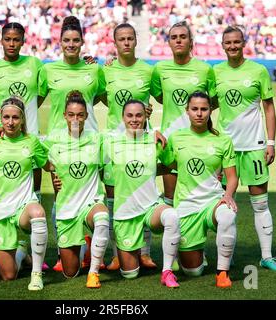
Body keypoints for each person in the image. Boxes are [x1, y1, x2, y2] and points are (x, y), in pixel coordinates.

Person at [38, 16, 106, 272]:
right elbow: (35, 101)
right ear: (60, 42)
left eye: (76, 40)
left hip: (89, 141)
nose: (71, 44)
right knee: (61, 196)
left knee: (93, 194)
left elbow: (102, 99)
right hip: (58, 144)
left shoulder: (93, 70)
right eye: (67, 40)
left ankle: (91, 244)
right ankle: (63, 250)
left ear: (82, 42)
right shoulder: (48, 71)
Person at [214, 26, 276, 271]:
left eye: (236, 42)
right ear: (222, 45)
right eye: (228, 43)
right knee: (223, 203)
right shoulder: (216, 72)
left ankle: (266, 256)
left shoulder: (258, 71)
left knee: (260, 203)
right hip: (226, 149)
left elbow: (269, 108)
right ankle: (226, 256)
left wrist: (271, 142)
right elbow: (208, 104)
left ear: (244, 43)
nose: (232, 46)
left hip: (254, 146)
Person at [0, 96, 49, 290]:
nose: (10, 122)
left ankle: (36, 274)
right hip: (0, 211)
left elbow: (48, 165)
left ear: (22, 119)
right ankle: (22, 252)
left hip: (24, 207)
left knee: (38, 213)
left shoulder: (32, 142)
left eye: (15, 117)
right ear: (1, 118)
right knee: (9, 275)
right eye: (6, 117)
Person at [161, 91, 238, 288]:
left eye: (204, 109)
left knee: (228, 215)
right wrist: (153, 138)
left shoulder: (223, 139)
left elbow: (232, 177)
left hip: (213, 202)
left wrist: (228, 195)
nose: (199, 113)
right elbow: (165, 165)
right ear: (187, 111)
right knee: (193, 271)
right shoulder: (176, 138)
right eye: (194, 109)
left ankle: (222, 272)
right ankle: (194, 253)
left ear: (210, 110)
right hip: (187, 205)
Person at [103, 99, 180, 288]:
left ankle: (167, 271)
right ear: (123, 117)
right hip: (125, 213)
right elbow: (92, 167)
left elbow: (173, 165)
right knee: (130, 274)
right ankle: (133, 253)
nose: (134, 119)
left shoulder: (155, 140)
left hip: (150, 208)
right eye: (130, 115)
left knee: (171, 216)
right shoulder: (110, 143)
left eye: (139, 115)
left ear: (146, 117)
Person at [99, 23, 157, 271]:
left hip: (142, 142)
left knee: (145, 194)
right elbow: (101, 96)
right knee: (114, 198)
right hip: (115, 142)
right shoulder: (106, 71)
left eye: (130, 38)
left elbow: (158, 98)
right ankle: (116, 254)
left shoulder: (148, 70)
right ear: (115, 42)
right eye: (121, 39)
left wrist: (148, 112)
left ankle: (145, 252)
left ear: (136, 41)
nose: (126, 42)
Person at [43, 91, 109, 288]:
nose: (75, 119)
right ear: (64, 115)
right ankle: (86, 243)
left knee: (102, 217)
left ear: (87, 116)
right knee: (70, 272)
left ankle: (93, 272)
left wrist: (151, 130)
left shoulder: (98, 139)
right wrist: (53, 173)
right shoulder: (53, 140)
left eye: (80, 114)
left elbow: (128, 135)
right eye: (71, 114)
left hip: (91, 204)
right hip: (67, 208)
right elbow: (33, 151)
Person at [151, 21, 217, 211]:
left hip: (198, 140)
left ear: (191, 42)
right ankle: (172, 240)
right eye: (174, 37)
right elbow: (160, 97)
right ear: (169, 43)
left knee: (196, 195)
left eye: (183, 37)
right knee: (170, 198)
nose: (178, 40)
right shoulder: (160, 69)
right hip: (170, 140)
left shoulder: (205, 70)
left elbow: (211, 102)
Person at [0, 22, 44, 208]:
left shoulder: (35, 64)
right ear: (1, 41)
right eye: (7, 39)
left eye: (16, 40)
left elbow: (41, 94)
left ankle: (34, 219)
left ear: (23, 41)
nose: (11, 43)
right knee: (5, 182)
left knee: (34, 177)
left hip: (29, 132)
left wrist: (27, 112)